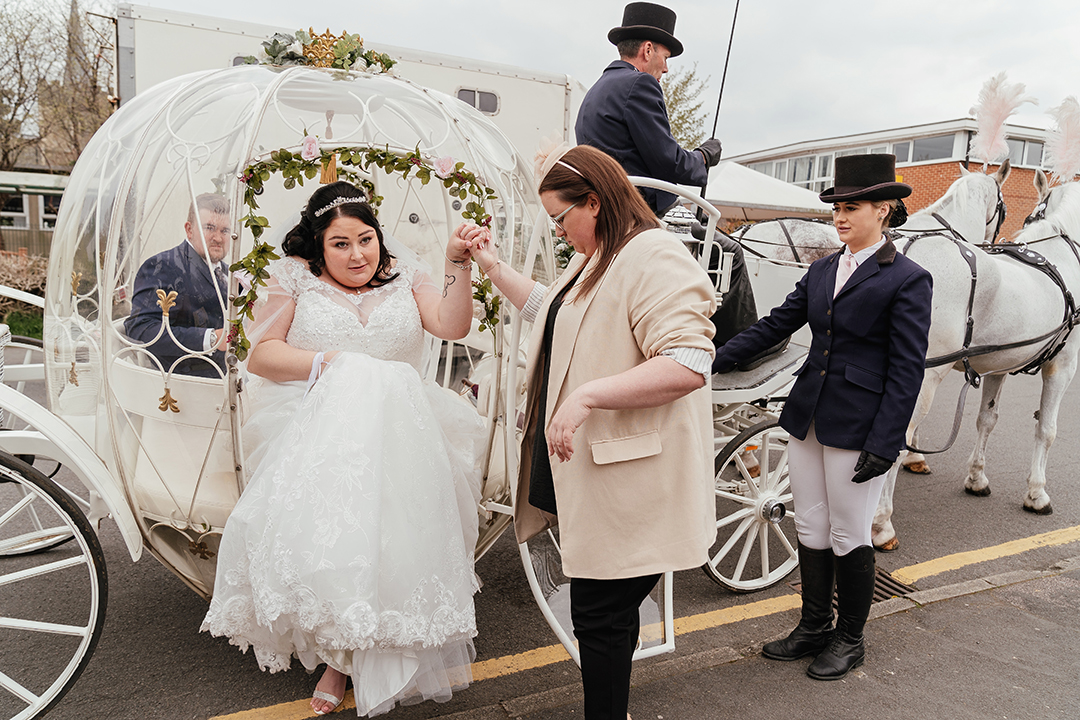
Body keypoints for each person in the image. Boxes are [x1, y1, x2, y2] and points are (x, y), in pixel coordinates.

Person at [201, 181, 486, 717]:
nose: (357, 254)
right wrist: (333, 365)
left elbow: (452, 324)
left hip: (406, 430)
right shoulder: (293, 279)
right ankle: (339, 654)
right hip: (321, 427)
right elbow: (261, 355)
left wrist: (457, 262)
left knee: (399, 537)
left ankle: (372, 650)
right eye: (340, 243)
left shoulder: (409, 277)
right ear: (318, 245)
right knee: (343, 534)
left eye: (366, 239)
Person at [466, 144, 716, 720]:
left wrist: (585, 396)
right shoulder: (598, 254)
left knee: (598, 617)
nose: (557, 232)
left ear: (596, 203)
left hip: (631, 478)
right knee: (606, 615)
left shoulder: (653, 254)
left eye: (560, 217)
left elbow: (688, 362)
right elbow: (553, 311)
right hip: (591, 469)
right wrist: (492, 266)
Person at [712, 154, 933, 680]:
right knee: (809, 524)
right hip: (807, 414)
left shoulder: (907, 278)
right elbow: (774, 326)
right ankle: (813, 626)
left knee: (848, 531)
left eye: (851, 207)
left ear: (884, 209)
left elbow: (907, 369)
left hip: (859, 425)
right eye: (836, 206)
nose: (839, 215)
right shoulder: (822, 269)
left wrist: (888, 441)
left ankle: (850, 637)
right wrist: (709, 358)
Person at [575, 2, 762, 357]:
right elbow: (670, 164)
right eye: (665, 56)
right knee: (730, 253)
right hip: (637, 213)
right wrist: (705, 157)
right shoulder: (640, 84)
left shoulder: (596, 92)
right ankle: (741, 350)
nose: (665, 67)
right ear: (648, 50)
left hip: (610, 211)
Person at [124, 193, 232, 377]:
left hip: (231, 377)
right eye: (210, 228)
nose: (218, 238)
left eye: (225, 231)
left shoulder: (229, 272)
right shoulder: (162, 265)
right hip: (184, 384)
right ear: (189, 230)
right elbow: (140, 329)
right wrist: (211, 339)